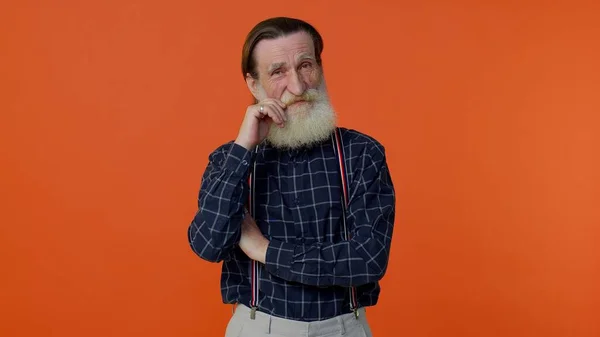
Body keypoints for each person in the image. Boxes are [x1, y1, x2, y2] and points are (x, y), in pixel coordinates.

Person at [187, 17, 396, 337]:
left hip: (342, 328)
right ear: (254, 85)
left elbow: (367, 260)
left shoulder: (361, 153)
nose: (298, 87)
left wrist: (264, 250)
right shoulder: (228, 159)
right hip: (258, 328)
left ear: (321, 69)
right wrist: (243, 147)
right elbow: (208, 244)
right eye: (278, 71)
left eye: (306, 65)